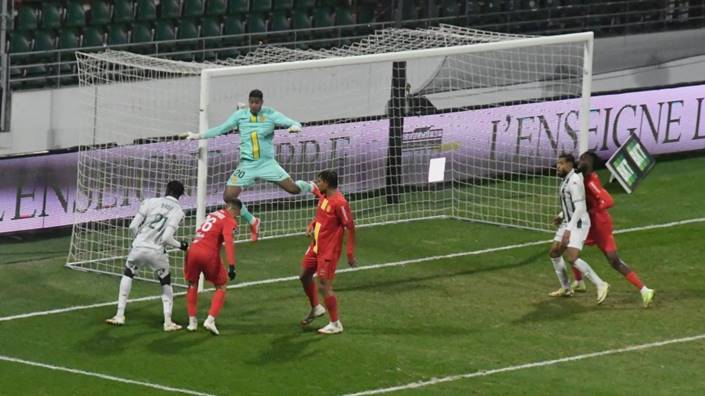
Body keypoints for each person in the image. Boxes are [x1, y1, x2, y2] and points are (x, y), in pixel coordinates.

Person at [183, 89, 314, 241]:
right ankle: (253, 221)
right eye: (251, 102)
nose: (253, 105)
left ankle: (311, 186)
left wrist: (295, 126)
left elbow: (292, 122)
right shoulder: (240, 115)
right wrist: (198, 136)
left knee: (293, 189)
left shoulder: (270, 114)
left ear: (262, 102)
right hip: (247, 165)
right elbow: (221, 128)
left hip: (267, 164)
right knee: (229, 196)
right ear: (249, 101)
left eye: (256, 103)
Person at [570, 151, 655, 308]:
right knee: (570, 247)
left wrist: (593, 210)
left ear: (590, 164)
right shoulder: (582, 178)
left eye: (584, 160)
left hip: (599, 224)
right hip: (591, 222)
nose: (581, 161)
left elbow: (608, 201)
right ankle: (579, 281)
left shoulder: (591, 182)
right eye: (581, 158)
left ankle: (644, 290)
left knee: (613, 260)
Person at [106, 181, 188, 331]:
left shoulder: (150, 202)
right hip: (157, 252)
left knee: (128, 274)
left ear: (167, 190)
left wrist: (137, 240)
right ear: (181, 195)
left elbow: (132, 226)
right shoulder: (178, 212)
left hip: (138, 247)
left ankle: (119, 315)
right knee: (165, 283)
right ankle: (168, 322)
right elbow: (166, 239)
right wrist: (181, 245)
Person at [299, 170, 356, 334]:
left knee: (324, 286)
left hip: (328, 251)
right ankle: (316, 307)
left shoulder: (340, 202)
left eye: (319, 181)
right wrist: (311, 225)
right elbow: (320, 217)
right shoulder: (323, 197)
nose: (317, 183)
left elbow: (350, 227)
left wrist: (350, 253)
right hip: (316, 246)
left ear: (327, 183)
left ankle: (335, 323)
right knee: (304, 276)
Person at [548, 154, 610, 304]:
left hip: (578, 223)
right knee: (554, 252)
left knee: (572, 258)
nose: (558, 166)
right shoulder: (566, 180)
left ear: (570, 164)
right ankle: (566, 288)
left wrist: (569, 230)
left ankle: (600, 284)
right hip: (568, 222)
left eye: (561, 164)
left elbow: (581, 207)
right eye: (558, 163)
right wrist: (561, 215)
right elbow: (571, 204)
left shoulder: (574, 181)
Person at [183, 199, 241, 335]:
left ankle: (192, 322)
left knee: (192, 284)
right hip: (208, 253)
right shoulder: (230, 220)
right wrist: (231, 265)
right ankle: (210, 320)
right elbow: (228, 241)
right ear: (236, 210)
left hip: (193, 249)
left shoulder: (212, 214)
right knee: (221, 286)